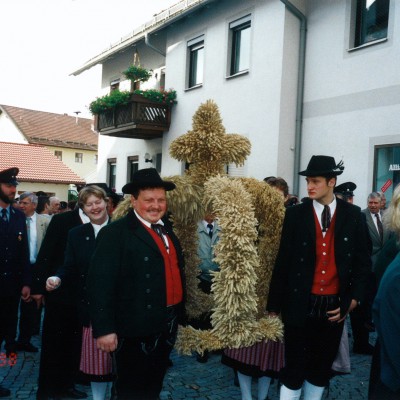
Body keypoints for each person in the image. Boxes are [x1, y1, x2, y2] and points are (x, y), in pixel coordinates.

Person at [267, 155, 371, 400]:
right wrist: (273, 305)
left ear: (332, 182)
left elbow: (363, 263)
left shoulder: (353, 215)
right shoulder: (295, 215)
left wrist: (354, 299)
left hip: (333, 308)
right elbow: (283, 261)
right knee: (293, 370)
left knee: (320, 371)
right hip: (298, 304)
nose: (310, 186)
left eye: (315, 181)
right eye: (308, 181)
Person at [87, 168, 185, 400]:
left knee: (153, 387)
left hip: (166, 324)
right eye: (149, 200)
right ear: (133, 201)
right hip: (132, 330)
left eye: (161, 200)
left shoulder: (167, 231)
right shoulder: (115, 233)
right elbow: (99, 284)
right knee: (129, 391)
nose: (156, 205)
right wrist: (104, 330)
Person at [46, 186, 113, 400]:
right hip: (92, 308)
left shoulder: (122, 230)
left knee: (122, 361)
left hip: (121, 306)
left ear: (107, 202)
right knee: (98, 362)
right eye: (89, 204)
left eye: (98, 202)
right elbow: (69, 265)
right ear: (83, 208)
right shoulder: (76, 234)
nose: (95, 207)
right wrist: (57, 277)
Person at [32, 196, 90, 400]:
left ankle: (67, 385)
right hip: (59, 292)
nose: (97, 205)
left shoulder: (103, 223)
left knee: (74, 343)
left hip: (82, 295)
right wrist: (38, 287)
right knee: (53, 343)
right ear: (83, 202)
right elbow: (46, 253)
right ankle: (46, 389)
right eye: (91, 201)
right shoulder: (62, 221)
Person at [0, 167, 31, 398]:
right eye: (9, 186)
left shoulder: (19, 215)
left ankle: (2, 374)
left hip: (11, 290)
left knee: (8, 334)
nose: (13, 190)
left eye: (15, 186)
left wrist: (26, 283)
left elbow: (23, 253)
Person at [16, 192, 50, 352]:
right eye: (20, 202)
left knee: (30, 306)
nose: (21, 205)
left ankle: (24, 339)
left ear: (34, 205)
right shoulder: (15, 220)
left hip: (36, 268)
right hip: (17, 268)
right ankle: (10, 339)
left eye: (25, 203)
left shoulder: (45, 221)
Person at [191, 213, 221, 363]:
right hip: (200, 277)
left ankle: (215, 344)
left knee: (216, 312)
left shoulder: (223, 227)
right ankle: (202, 347)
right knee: (202, 314)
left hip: (219, 277)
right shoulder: (194, 228)